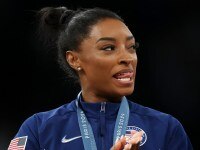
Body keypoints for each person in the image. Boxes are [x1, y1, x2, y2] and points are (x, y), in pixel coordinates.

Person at [8, 6, 193, 150]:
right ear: (74, 59)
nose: (128, 58)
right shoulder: (39, 129)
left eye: (131, 47)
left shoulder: (166, 128)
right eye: (109, 48)